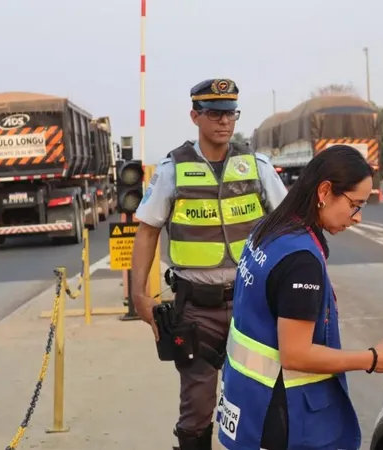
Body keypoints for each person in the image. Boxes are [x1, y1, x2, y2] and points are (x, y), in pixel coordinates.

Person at [216, 145, 383, 450]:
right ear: (324, 191)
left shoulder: (266, 230)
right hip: (284, 416)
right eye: (355, 204)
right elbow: (296, 354)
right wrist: (372, 358)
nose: (357, 217)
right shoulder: (301, 260)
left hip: (248, 402)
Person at [130, 78, 288, 450]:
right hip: (196, 309)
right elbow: (147, 233)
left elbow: (289, 225)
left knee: (266, 399)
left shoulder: (256, 166)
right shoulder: (172, 170)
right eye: (214, 113)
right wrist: (138, 295)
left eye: (230, 113)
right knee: (197, 408)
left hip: (254, 306)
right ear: (195, 117)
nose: (224, 122)